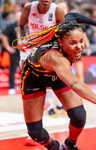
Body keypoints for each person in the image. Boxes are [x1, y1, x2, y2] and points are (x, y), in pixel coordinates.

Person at [13, 12, 96, 150]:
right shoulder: (56, 58)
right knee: (35, 133)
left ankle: (70, 145)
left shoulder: (66, 29)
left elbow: (72, 15)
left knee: (79, 116)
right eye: (73, 43)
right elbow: (75, 84)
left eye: (81, 41)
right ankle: (54, 147)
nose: (79, 47)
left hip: (56, 76)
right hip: (33, 78)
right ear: (60, 42)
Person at [16, 0, 65, 146]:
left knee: (47, 101)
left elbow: (64, 33)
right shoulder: (28, 8)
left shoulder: (58, 11)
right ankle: (33, 132)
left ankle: (35, 129)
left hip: (47, 52)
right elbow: (20, 26)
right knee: (32, 90)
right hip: (29, 50)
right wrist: (20, 40)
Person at [3, 11, 21, 95]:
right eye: (18, 16)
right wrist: (7, 47)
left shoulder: (26, 26)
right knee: (13, 69)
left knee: (25, 69)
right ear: (15, 17)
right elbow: (4, 36)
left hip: (23, 51)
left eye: (21, 16)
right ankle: (11, 86)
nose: (19, 17)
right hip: (14, 51)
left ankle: (25, 86)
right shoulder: (11, 26)